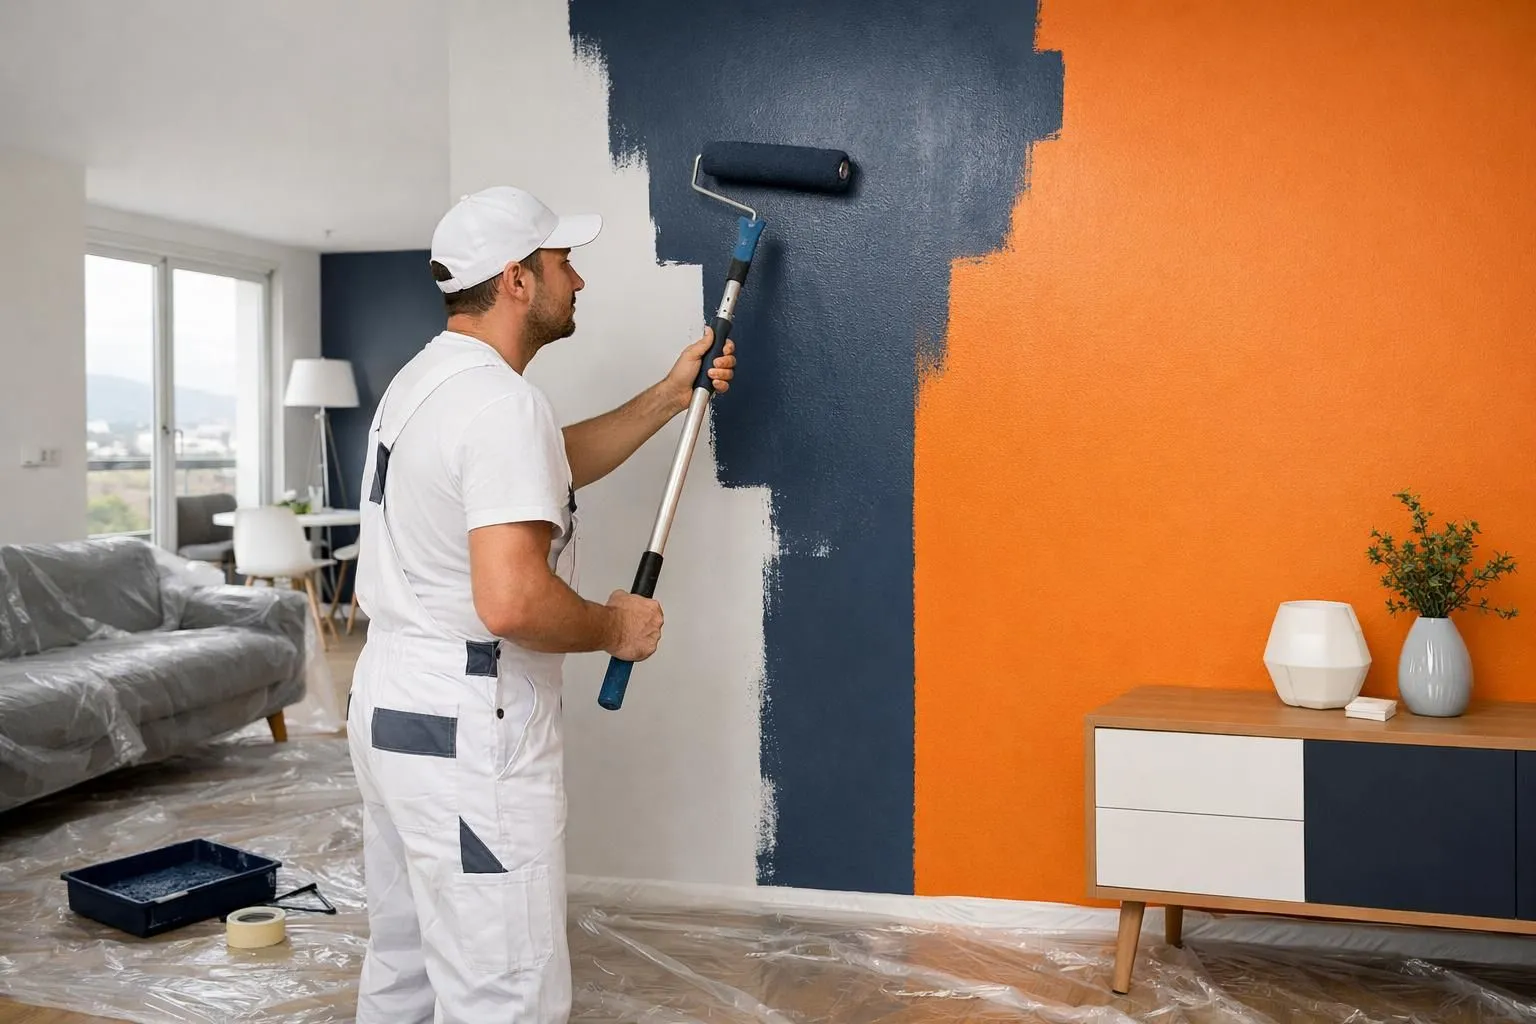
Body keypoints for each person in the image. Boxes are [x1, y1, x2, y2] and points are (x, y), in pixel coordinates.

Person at [346, 185, 736, 1023]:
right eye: (564, 264)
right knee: (503, 986)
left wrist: (668, 397)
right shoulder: (500, 404)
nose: (579, 282)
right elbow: (515, 601)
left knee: (406, 957)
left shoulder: (428, 383)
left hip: (392, 707)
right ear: (518, 280)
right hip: (465, 724)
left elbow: (532, 470)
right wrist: (613, 627)